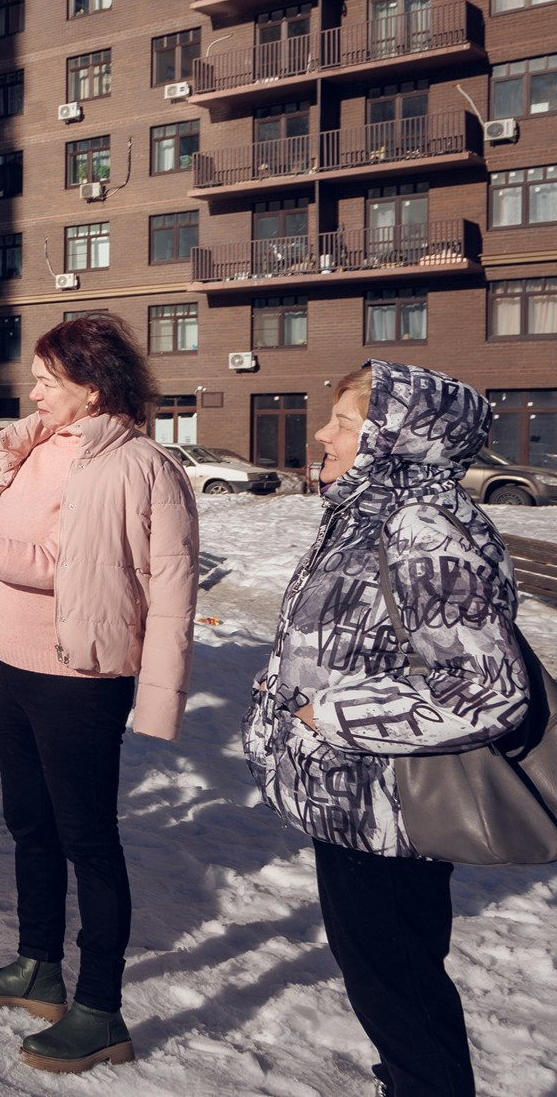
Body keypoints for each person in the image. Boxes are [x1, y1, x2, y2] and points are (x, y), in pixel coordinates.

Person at [0, 313, 197, 1075]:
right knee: (31, 823)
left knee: (87, 837)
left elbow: (57, 560)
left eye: (48, 380)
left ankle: (100, 1006)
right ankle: (38, 967)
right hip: (19, 662)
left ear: (93, 391)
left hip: (81, 677)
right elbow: (5, 540)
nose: (31, 390)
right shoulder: (37, 447)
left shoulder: (132, 464)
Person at [244, 362, 527, 1097]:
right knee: (392, 980)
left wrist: (332, 713)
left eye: (344, 420)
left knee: (396, 984)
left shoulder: (423, 527)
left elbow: (487, 691)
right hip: (357, 799)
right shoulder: (369, 511)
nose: (322, 433)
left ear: (397, 436)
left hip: (390, 805)